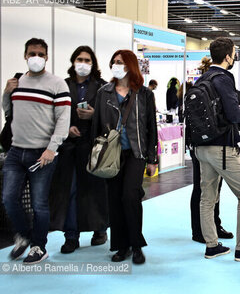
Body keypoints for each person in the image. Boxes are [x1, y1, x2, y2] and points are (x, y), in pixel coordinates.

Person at [195, 37, 240, 262]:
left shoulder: (202, 78)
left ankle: (212, 245)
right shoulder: (223, 79)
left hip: (201, 147)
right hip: (221, 147)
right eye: (234, 53)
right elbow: (234, 114)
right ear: (228, 57)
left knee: (207, 197)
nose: (235, 57)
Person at [2, 38, 71, 264]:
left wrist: (52, 149)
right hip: (16, 150)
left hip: (42, 153)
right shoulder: (17, 81)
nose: (36, 58)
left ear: (47, 57)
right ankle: (24, 235)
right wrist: (6, 92)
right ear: (25, 55)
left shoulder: (57, 84)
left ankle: (38, 246)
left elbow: (63, 120)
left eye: (41, 54)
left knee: (40, 203)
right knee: (9, 198)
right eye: (32, 53)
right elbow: (8, 110)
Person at [91, 49, 158, 264]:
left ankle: (137, 244)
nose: (116, 65)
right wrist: (96, 153)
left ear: (130, 65)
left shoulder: (145, 94)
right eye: (114, 62)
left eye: (120, 62)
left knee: (130, 196)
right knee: (115, 199)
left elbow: (151, 127)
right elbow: (97, 125)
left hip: (136, 153)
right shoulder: (104, 92)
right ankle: (121, 246)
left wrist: (152, 158)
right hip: (112, 153)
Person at [49, 46, 108, 254]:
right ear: (73, 61)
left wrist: (93, 117)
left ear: (93, 64)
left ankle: (100, 229)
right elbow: (52, 115)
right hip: (68, 148)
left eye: (87, 60)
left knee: (96, 191)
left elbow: (110, 117)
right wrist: (66, 129)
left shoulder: (103, 87)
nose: (83, 63)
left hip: (94, 146)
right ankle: (71, 236)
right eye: (80, 59)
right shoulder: (61, 86)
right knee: (70, 191)